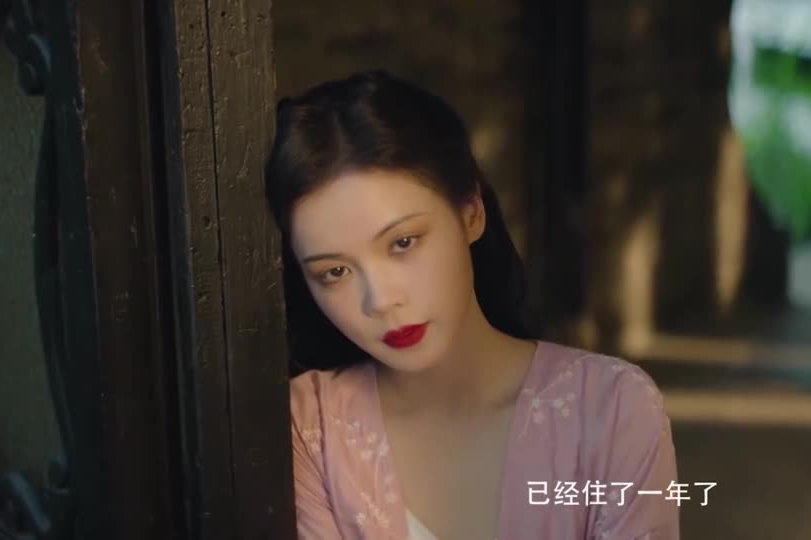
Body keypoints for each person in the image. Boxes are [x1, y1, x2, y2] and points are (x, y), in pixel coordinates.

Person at [267, 71, 680, 540]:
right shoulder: (308, 427)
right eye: (335, 272)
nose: (380, 300)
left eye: (403, 242)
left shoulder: (611, 408)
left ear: (471, 212)